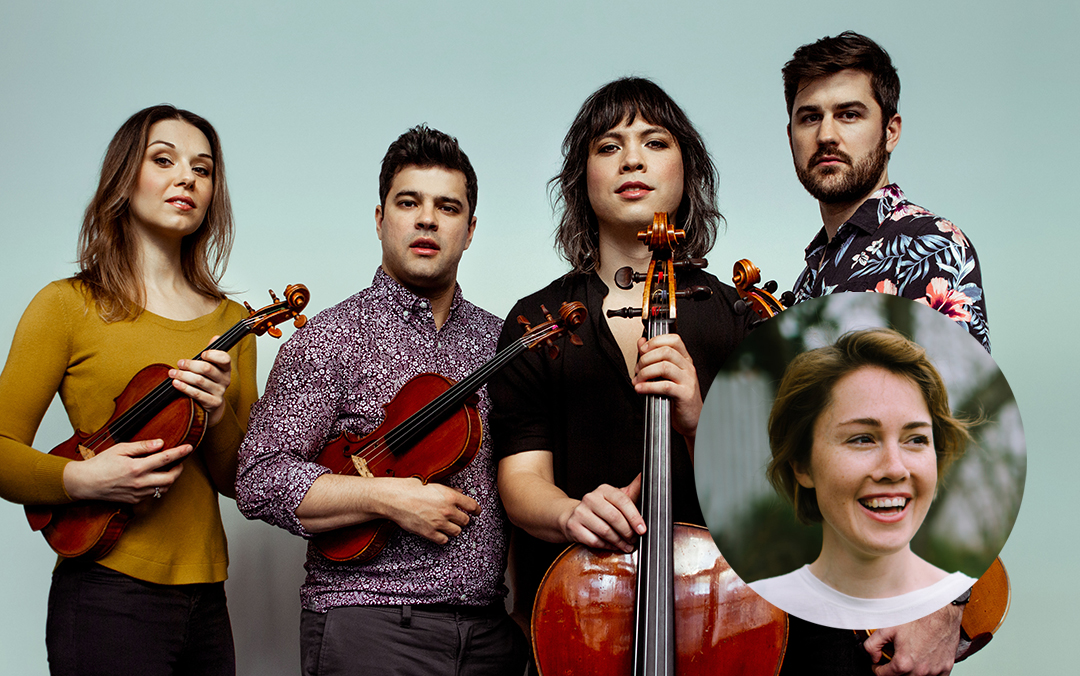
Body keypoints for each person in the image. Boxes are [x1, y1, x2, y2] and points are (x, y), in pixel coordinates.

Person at [235, 126, 526, 676]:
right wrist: (389, 498)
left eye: (448, 207)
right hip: (368, 626)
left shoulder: (501, 343)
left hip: (489, 635)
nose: (427, 219)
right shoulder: (332, 336)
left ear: (469, 231)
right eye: (408, 202)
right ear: (379, 219)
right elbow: (258, 478)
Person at [489, 77, 750, 651]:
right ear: (583, 181)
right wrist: (569, 514)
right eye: (608, 146)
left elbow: (776, 489)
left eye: (655, 143)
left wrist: (699, 420)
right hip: (581, 625)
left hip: (721, 624)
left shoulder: (739, 317)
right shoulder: (538, 320)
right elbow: (520, 480)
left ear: (688, 172)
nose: (632, 158)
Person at [0, 105, 256, 675]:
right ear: (124, 177)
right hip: (104, 593)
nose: (186, 178)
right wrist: (79, 478)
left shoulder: (234, 321)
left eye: (203, 168)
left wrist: (216, 417)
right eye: (163, 160)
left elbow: (244, 481)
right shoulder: (66, 305)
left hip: (209, 595)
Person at [750, 328, 975, 629]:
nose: (895, 469)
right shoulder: (752, 610)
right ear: (802, 465)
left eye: (916, 439)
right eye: (862, 439)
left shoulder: (976, 606)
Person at [784, 31, 990, 353]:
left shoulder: (931, 244)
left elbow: (954, 397)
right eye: (810, 118)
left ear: (890, 132)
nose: (826, 135)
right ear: (790, 136)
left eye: (848, 115)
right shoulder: (807, 279)